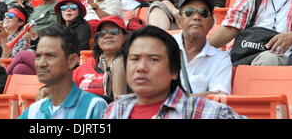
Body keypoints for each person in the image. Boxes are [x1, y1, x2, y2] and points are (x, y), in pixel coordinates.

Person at [103, 25, 245, 119]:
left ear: (174, 71)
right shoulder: (115, 111)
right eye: (134, 59)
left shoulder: (207, 112)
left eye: (153, 59)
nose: (141, 67)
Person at [18, 24, 108, 119]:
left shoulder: (94, 106)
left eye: (50, 56)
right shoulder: (34, 110)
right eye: (38, 56)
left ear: (72, 61)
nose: (41, 63)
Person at [174, 0, 232, 96]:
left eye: (203, 13)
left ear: (212, 22)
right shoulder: (163, 46)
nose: (196, 17)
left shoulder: (221, 59)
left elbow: (219, 96)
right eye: (189, 12)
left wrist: (176, 101)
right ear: (179, 21)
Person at [72, 16, 127, 102]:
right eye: (102, 34)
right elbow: (64, 88)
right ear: (98, 41)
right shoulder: (85, 67)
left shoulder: (132, 67)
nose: (107, 36)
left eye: (114, 32)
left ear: (125, 37)